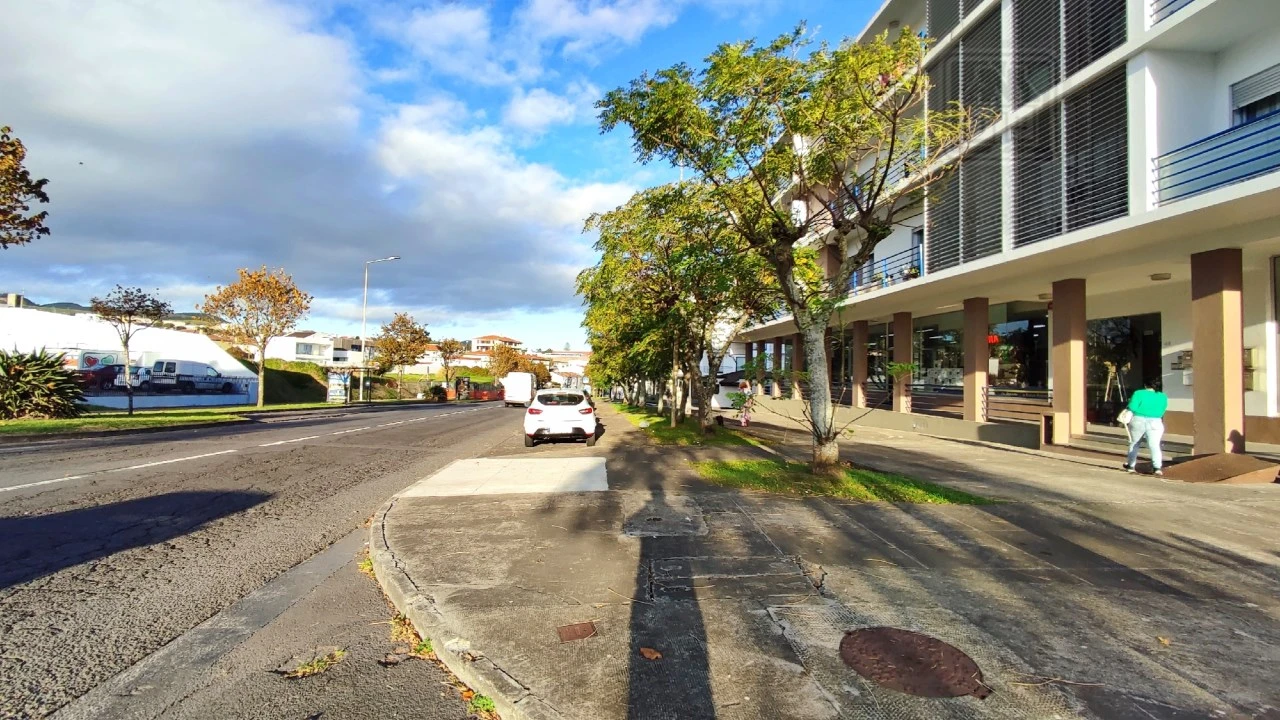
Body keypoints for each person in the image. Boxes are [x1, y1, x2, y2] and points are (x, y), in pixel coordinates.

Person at [1123, 380, 1168, 476]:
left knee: (1135, 443)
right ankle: (1157, 468)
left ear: (1145, 385)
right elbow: (1163, 409)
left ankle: (1130, 466)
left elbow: (1132, 407)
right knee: (1154, 445)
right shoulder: (1162, 396)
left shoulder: (1139, 393)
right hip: (1156, 421)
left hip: (1138, 419)